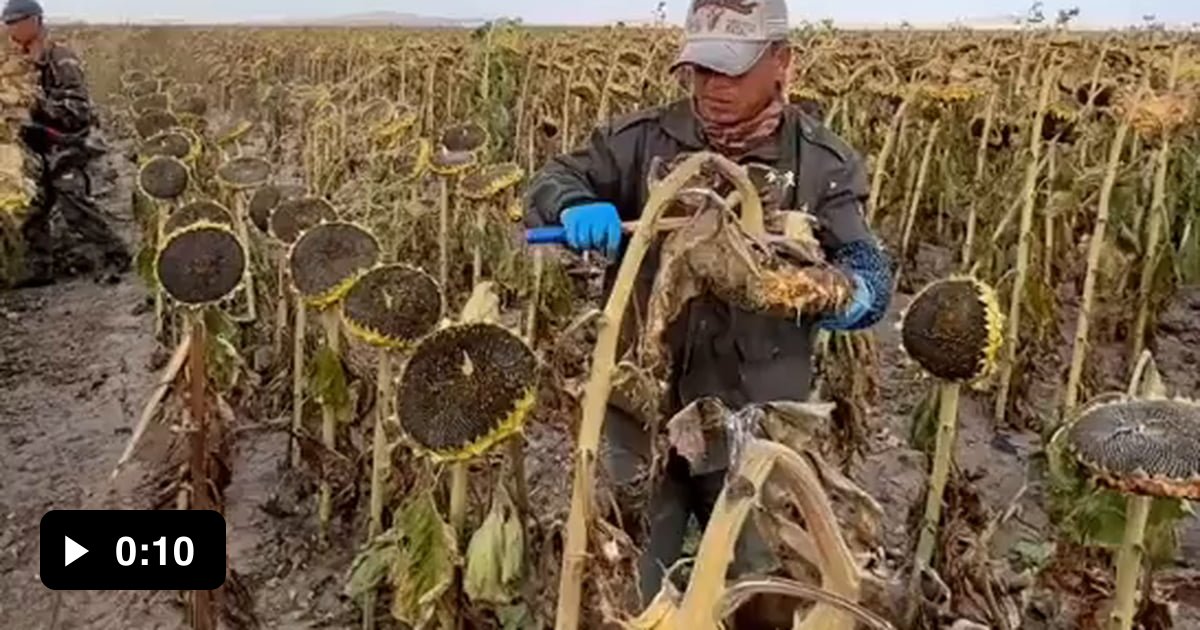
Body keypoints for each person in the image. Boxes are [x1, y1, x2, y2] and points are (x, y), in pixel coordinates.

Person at [525, 0, 894, 608]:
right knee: (622, 573)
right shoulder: (641, 141)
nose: (710, 89)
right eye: (700, 71)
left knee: (763, 584)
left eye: (730, 70)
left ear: (782, 63)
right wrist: (569, 204)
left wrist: (819, 291)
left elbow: (869, 273)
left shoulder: (822, 163)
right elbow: (553, 178)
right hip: (641, 402)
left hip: (755, 413)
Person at [5, 0, 128, 287]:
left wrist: (37, 105)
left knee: (71, 199)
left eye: (18, 22)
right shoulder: (19, 59)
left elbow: (78, 109)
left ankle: (114, 256)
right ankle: (39, 267)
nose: (13, 29)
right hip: (38, 142)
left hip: (67, 140)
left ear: (36, 21)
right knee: (34, 204)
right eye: (9, 24)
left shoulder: (60, 57)